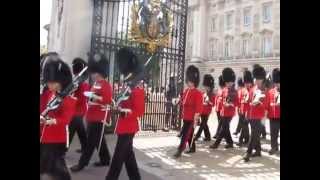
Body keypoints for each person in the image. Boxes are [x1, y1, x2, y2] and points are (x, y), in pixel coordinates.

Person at [105, 47, 145, 180]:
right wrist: (114, 106)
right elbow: (121, 103)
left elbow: (139, 111)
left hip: (130, 126)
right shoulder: (127, 84)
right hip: (123, 125)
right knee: (128, 156)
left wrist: (124, 111)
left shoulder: (137, 87)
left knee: (118, 157)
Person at [71, 54, 112, 172]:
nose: (93, 75)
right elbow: (89, 96)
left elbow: (107, 100)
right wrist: (90, 96)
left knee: (90, 143)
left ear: (100, 73)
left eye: (95, 73)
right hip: (91, 115)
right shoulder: (95, 84)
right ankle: (105, 159)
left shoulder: (106, 85)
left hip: (98, 118)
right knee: (100, 140)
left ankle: (81, 164)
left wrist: (95, 97)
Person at [40, 58, 76, 180]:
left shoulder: (68, 99)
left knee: (59, 171)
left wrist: (49, 121)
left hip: (56, 139)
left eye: (51, 82)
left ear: (60, 82)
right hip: (45, 137)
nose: (48, 84)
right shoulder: (50, 94)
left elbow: (65, 119)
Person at [173, 65, 203, 158]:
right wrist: (177, 101)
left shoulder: (198, 93)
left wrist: (196, 119)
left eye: (191, 82)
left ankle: (180, 149)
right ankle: (192, 148)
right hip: (185, 116)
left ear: (194, 82)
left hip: (192, 118)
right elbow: (182, 100)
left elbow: (199, 107)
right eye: (188, 81)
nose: (189, 83)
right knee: (189, 134)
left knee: (185, 134)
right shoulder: (186, 91)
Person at [243, 64, 267, 162]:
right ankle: (258, 151)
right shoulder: (252, 89)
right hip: (252, 115)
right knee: (255, 134)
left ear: (262, 79)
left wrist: (259, 103)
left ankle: (248, 153)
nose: (257, 81)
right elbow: (248, 102)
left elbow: (266, 104)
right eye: (256, 79)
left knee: (253, 135)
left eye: (259, 79)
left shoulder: (265, 90)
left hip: (260, 116)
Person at [210, 68, 238, 149]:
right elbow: (221, 100)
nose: (228, 84)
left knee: (223, 128)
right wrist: (224, 103)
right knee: (226, 128)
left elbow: (237, 103)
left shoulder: (235, 91)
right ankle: (230, 143)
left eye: (229, 82)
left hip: (230, 113)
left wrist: (231, 104)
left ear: (232, 82)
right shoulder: (224, 90)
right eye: (227, 82)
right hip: (223, 111)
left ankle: (216, 144)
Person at [68, 58, 89, 153]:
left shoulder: (83, 83)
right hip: (76, 110)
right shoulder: (77, 80)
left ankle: (63, 150)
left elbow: (81, 99)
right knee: (80, 131)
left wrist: (70, 99)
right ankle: (85, 147)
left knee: (70, 131)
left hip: (78, 111)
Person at [195, 74, 215, 141]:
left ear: (210, 87)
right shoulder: (204, 93)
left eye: (207, 86)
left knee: (202, 124)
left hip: (207, 111)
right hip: (202, 110)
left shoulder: (212, 94)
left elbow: (213, 104)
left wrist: (208, 102)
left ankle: (197, 136)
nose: (206, 88)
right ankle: (208, 136)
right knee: (204, 124)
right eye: (205, 86)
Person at [265, 68, 280, 155]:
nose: (277, 85)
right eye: (276, 83)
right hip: (273, 116)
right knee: (273, 133)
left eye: (278, 83)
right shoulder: (270, 91)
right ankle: (273, 147)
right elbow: (267, 104)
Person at [236, 70, 253, 147]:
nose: (247, 84)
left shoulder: (253, 90)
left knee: (245, 127)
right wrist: (239, 109)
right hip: (242, 111)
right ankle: (245, 139)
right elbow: (239, 101)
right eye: (246, 83)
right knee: (244, 127)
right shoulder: (241, 90)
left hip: (250, 112)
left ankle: (242, 140)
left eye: (248, 83)